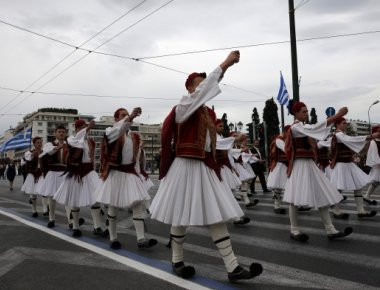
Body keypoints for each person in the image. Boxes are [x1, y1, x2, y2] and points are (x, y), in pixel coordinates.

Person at [150, 51, 263, 282]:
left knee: (216, 216)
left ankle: (232, 267)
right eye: (199, 84)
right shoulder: (183, 106)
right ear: (191, 88)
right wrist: (225, 65)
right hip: (184, 166)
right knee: (180, 215)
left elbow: (215, 143)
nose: (204, 88)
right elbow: (205, 90)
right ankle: (177, 259)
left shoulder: (206, 114)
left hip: (203, 167)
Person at [283, 101, 353, 242]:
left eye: (307, 111)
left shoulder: (303, 127)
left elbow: (314, 131)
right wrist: (337, 115)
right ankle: (294, 230)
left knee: (321, 194)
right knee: (294, 200)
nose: (306, 113)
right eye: (303, 111)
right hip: (299, 165)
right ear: (295, 113)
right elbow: (315, 128)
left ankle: (330, 229)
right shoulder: (296, 127)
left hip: (309, 164)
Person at [96, 107, 157, 250]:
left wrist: (139, 175)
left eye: (127, 115)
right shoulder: (110, 132)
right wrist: (129, 119)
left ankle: (141, 239)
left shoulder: (134, 136)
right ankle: (113, 237)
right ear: (116, 119)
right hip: (116, 173)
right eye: (122, 115)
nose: (125, 117)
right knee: (113, 206)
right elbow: (117, 132)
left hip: (130, 173)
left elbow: (135, 159)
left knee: (138, 205)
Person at [54, 120, 108, 237]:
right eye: (82, 127)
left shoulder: (90, 142)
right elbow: (77, 141)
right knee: (74, 200)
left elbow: (91, 157)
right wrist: (87, 128)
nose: (85, 129)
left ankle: (97, 227)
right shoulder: (71, 139)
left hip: (89, 171)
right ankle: (75, 226)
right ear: (77, 129)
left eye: (85, 127)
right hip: (76, 172)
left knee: (95, 199)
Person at [327, 117, 377, 218]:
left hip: (348, 164)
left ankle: (361, 211)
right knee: (338, 188)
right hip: (341, 165)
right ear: (337, 125)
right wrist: (370, 136)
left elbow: (351, 142)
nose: (346, 124)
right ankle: (336, 211)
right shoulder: (338, 135)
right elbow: (352, 139)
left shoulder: (342, 135)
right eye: (344, 123)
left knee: (358, 187)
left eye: (346, 123)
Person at [215, 119, 250, 225]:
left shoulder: (219, 137)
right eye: (220, 126)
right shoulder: (214, 136)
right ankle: (232, 216)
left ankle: (235, 217)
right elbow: (219, 144)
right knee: (224, 193)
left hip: (224, 167)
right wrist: (235, 139)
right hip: (217, 168)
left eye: (222, 126)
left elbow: (229, 151)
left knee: (227, 193)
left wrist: (232, 166)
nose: (222, 128)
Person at [38, 125, 70, 228]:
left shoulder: (69, 145)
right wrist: (57, 148)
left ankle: (71, 221)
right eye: (59, 132)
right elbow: (48, 152)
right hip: (53, 173)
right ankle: (52, 219)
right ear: (55, 133)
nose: (61, 133)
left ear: (65, 134)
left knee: (67, 197)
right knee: (52, 198)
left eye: (63, 132)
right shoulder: (49, 144)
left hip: (65, 173)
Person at [267, 126, 291, 214]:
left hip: (286, 164)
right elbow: (286, 149)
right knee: (278, 187)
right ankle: (276, 206)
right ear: (285, 132)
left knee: (290, 185)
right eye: (289, 133)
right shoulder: (279, 140)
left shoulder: (284, 140)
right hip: (280, 165)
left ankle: (296, 204)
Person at [21, 137, 45, 217]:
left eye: (40, 142)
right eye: (37, 142)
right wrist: (32, 155)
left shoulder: (44, 152)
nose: (39, 144)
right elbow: (28, 158)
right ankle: (34, 210)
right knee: (33, 193)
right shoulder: (29, 152)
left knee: (44, 191)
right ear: (34, 144)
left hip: (41, 173)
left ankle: (45, 209)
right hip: (32, 174)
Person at [363, 125, 380, 205]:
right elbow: (373, 154)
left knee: (376, 182)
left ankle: (366, 196)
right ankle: (366, 195)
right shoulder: (373, 142)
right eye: (378, 131)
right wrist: (378, 162)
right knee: (376, 181)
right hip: (378, 164)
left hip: (378, 164)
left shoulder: (378, 141)